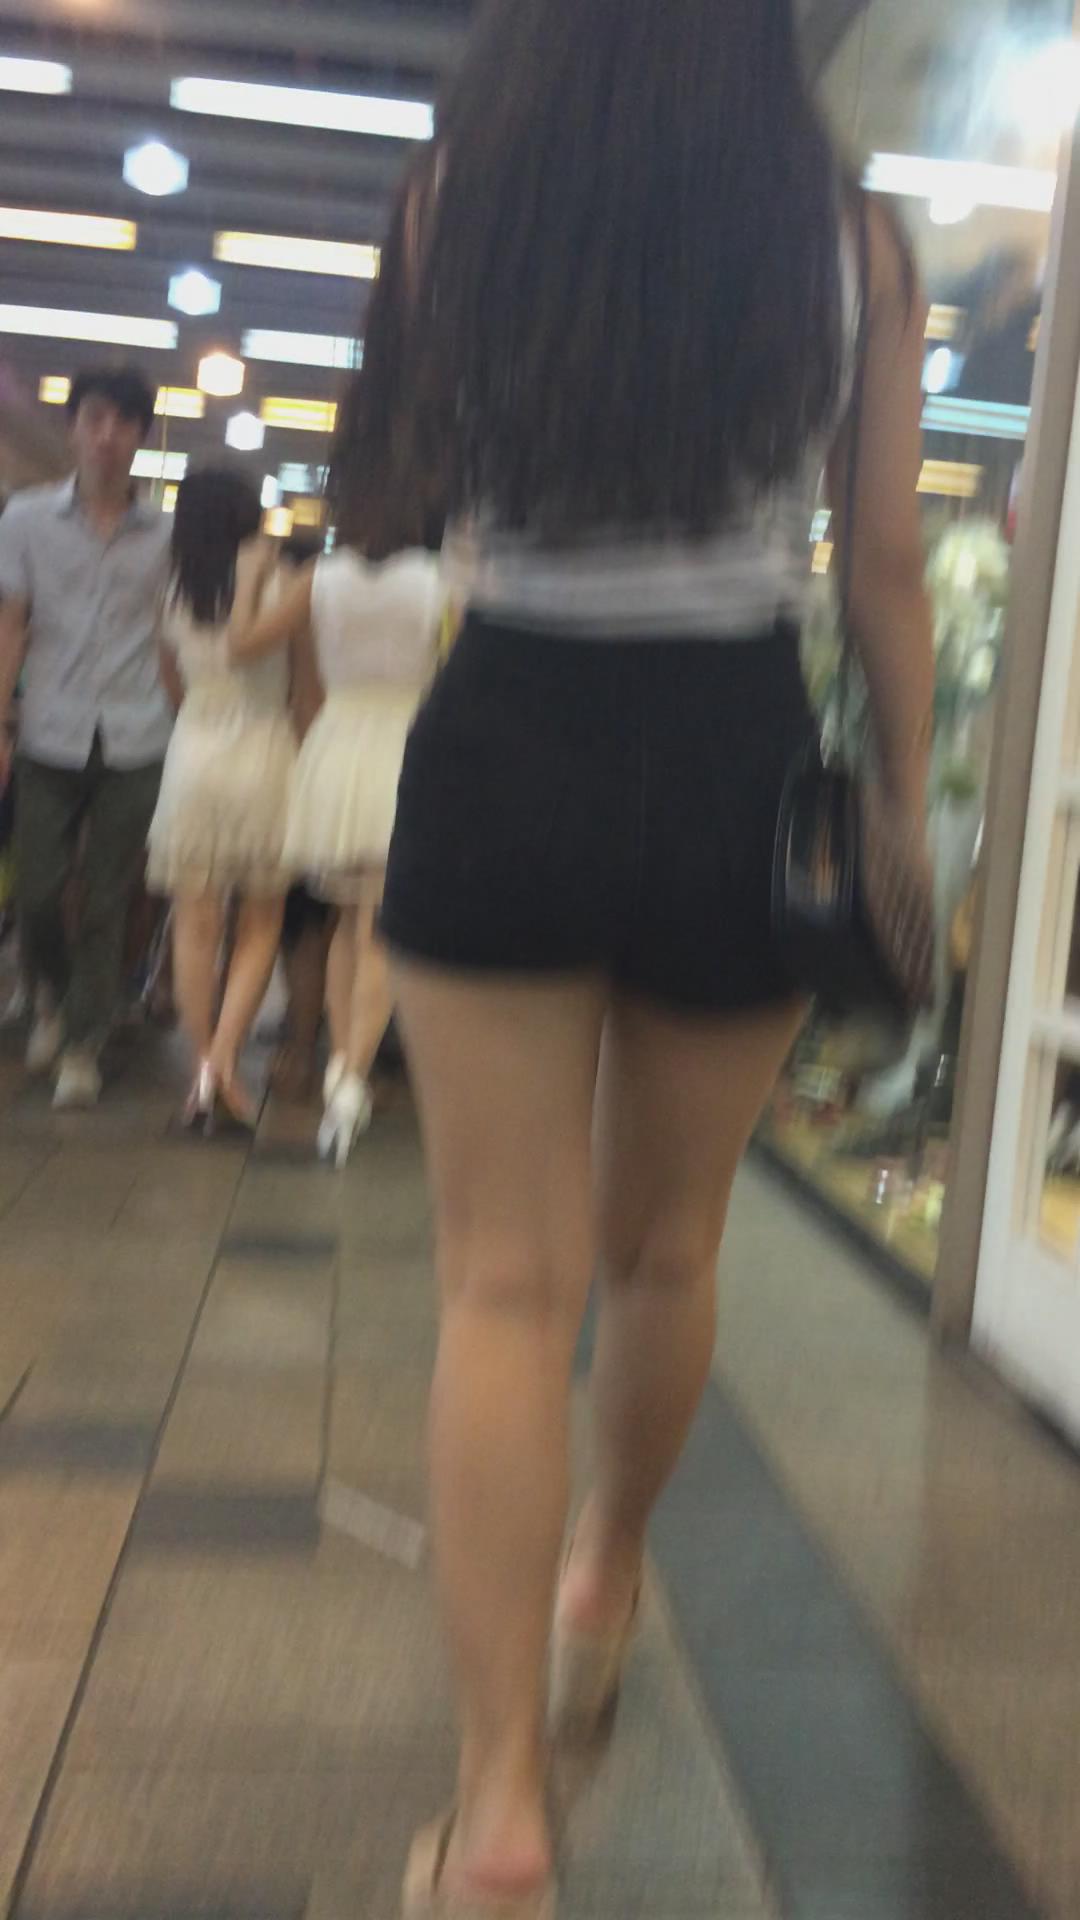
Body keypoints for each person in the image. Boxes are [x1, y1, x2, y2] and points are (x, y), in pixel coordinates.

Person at [333, 2, 937, 1914]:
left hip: (511, 720)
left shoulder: (456, 193)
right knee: (666, 1248)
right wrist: (903, 808)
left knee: (501, 1285)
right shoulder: (856, 242)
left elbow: (410, 479)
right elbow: (883, 567)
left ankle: (500, 1811)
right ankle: (602, 1573)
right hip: (742, 747)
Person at [230, 529, 441, 1165]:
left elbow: (243, 645)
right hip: (410, 748)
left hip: (338, 749)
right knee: (380, 929)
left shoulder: (318, 578)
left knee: (349, 922)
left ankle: (343, 1073)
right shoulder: (440, 578)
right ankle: (349, 1077)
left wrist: (248, 580)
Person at [0, 367, 171, 1108]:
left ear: (141, 436)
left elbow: (171, 636)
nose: (108, 435)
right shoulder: (26, 519)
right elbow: (10, 624)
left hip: (138, 732)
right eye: (95, 418)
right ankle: (55, 997)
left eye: (124, 422)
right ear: (72, 427)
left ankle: (81, 1043)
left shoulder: (165, 534)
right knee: (36, 891)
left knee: (109, 897)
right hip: (49, 729)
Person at [147, 470, 305, 1131]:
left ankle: (202, 1072)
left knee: (195, 923)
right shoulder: (278, 580)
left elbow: (170, 681)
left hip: (194, 754)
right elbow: (300, 681)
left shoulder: (173, 588)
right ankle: (223, 1065)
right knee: (259, 923)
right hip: (264, 750)